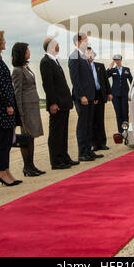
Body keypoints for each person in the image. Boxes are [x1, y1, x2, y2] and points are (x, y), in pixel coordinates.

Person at [0, 30, 22, 187]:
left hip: (4, 106)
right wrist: (8, 104)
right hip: (1, 108)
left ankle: (6, 170)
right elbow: (1, 86)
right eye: (3, 39)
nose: (5, 42)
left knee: (7, 141)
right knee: (3, 141)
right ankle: (1, 172)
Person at [40, 38, 79, 170]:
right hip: (57, 104)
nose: (59, 46)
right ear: (51, 47)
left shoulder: (54, 60)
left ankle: (64, 156)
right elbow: (48, 85)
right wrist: (52, 103)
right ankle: (56, 161)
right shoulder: (45, 62)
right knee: (56, 133)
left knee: (63, 133)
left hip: (64, 103)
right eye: (57, 44)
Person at [12, 42, 45, 177]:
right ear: (22, 53)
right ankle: (27, 167)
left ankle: (31, 165)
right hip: (25, 108)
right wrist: (20, 113)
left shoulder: (26, 68)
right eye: (27, 50)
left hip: (33, 106)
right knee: (26, 138)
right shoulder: (17, 70)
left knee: (31, 137)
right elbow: (17, 93)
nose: (29, 52)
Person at [68, 33, 99, 162]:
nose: (87, 42)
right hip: (83, 96)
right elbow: (75, 79)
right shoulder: (74, 57)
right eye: (86, 40)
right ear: (79, 42)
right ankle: (82, 152)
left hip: (90, 95)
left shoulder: (83, 56)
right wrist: (81, 95)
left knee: (89, 124)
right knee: (83, 124)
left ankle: (88, 150)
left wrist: (93, 95)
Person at [87, 47, 113, 151]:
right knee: (92, 121)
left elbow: (105, 80)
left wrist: (109, 92)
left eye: (91, 53)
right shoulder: (85, 67)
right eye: (88, 53)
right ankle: (95, 144)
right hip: (91, 96)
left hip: (100, 95)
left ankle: (102, 143)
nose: (90, 55)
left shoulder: (100, 66)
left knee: (100, 120)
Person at [107, 54, 133, 134]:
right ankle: (120, 131)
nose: (117, 61)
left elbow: (132, 81)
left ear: (121, 60)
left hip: (125, 94)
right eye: (115, 60)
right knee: (118, 113)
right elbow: (105, 77)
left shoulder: (126, 69)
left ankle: (126, 130)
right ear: (114, 61)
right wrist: (109, 68)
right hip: (115, 94)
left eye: (118, 60)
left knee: (125, 112)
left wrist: (131, 93)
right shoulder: (112, 70)